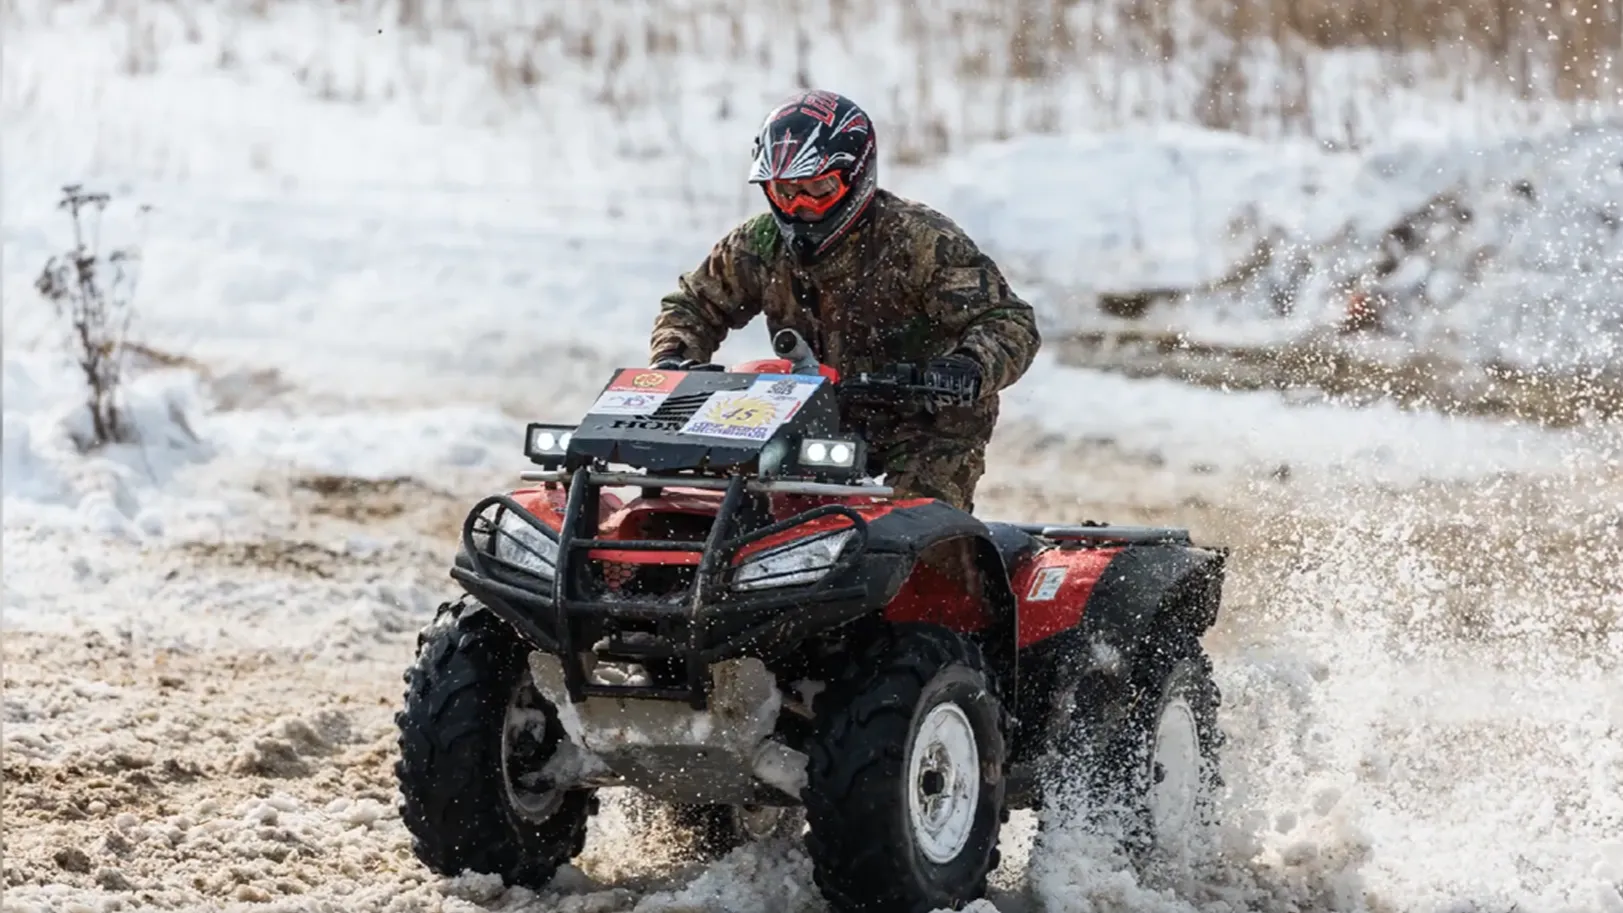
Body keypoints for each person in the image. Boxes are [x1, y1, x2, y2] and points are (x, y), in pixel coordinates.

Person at [648, 89, 1040, 514]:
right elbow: (693, 305)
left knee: (913, 530)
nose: (799, 207)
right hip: (810, 414)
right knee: (720, 503)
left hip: (924, 424)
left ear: (855, 178)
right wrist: (674, 362)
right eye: (785, 191)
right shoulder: (760, 242)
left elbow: (1009, 322)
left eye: (818, 189)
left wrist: (965, 368)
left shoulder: (920, 241)